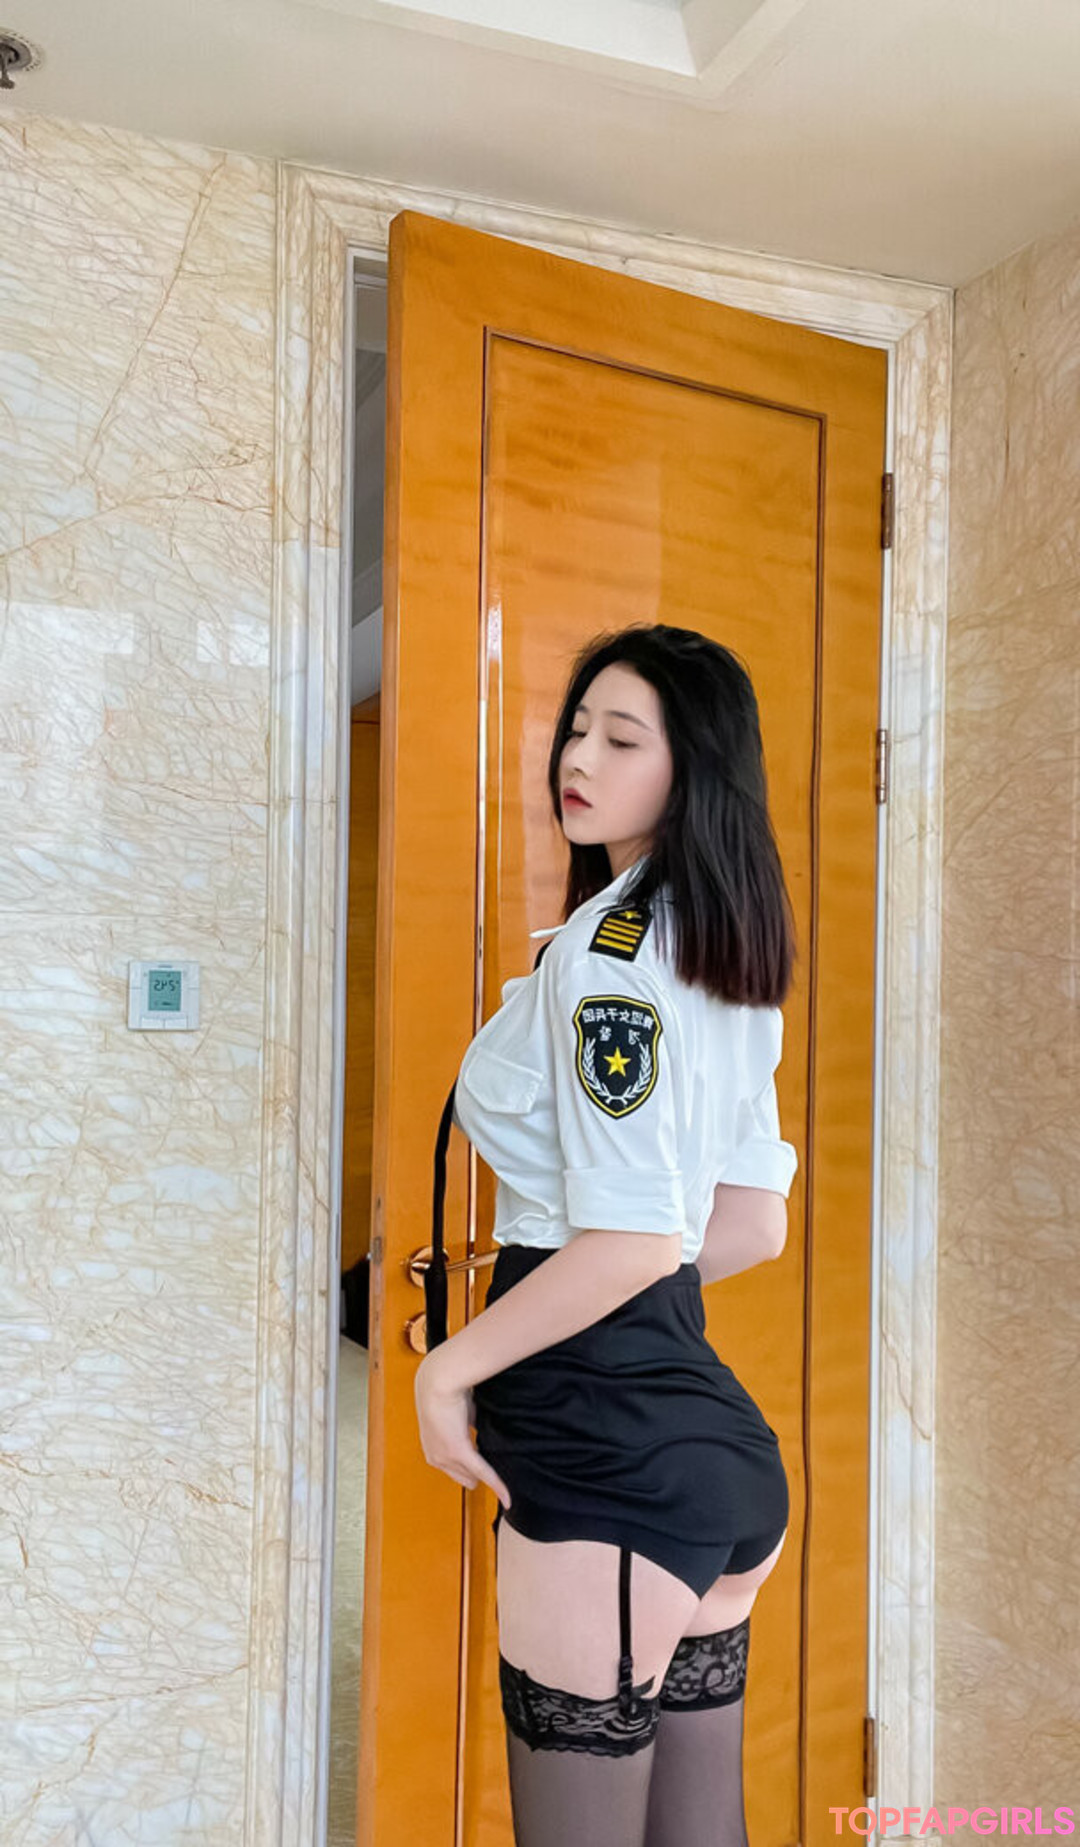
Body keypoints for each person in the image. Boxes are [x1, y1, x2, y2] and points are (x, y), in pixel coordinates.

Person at [414, 622, 799, 1847]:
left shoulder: (610, 958)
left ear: (694, 771)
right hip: (718, 1456)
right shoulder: (725, 944)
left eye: (623, 738)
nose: (578, 757)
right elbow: (747, 1223)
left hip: (603, 1452)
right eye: (578, 726)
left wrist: (448, 1364)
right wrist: (585, 1288)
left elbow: (634, 1241)